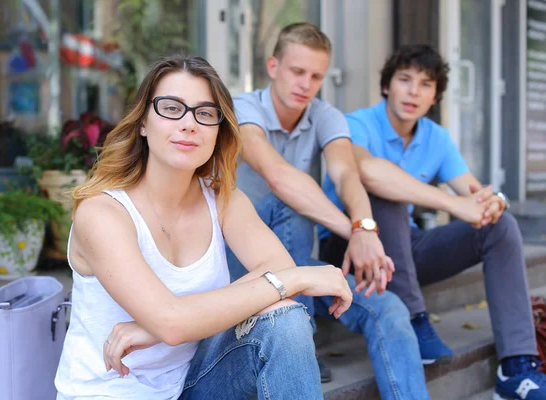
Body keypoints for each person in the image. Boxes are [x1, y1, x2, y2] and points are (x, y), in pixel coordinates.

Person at [54, 55, 353, 400]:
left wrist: (157, 327)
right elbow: (172, 322)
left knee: (284, 320)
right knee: (278, 297)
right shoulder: (103, 213)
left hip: (195, 383)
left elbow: (277, 268)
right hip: (111, 392)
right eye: (171, 108)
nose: (189, 124)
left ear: (217, 132)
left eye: (205, 113)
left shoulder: (222, 198)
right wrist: (298, 278)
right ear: (143, 123)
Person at [320, 44, 546, 400]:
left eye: (425, 84)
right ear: (386, 86)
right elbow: (368, 172)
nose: (413, 91)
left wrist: (493, 202)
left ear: (435, 96)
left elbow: (474, 194)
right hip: (347, 245)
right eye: (404, 80)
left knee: (501, 227)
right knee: (385, 193)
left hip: (400, 253)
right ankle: (415, 319)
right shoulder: (356, 124)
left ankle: (517, 368)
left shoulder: (436, 138)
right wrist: (455, 204)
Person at [228, 22, 431, 399]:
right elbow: (278, 177)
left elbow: (346, 174)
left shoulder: (324, 115)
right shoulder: (244, 108)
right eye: (297, 71)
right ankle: (298, 338)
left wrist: (366, 229)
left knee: (391, 311)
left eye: (316, 76)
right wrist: (352, 231)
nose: (306, 83)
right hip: (240, 272)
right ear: (273, 67)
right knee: (290, 202)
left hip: (301, 271)